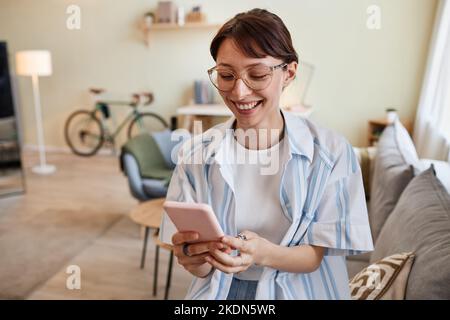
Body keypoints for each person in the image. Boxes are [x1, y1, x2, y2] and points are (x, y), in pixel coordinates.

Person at [159, 8, 373, 300]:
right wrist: (192, 259)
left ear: (289, 73)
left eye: (257, 74)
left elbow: (315, 256)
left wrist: (262, 253)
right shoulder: (194, 154)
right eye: (226, 75)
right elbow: (197, 266)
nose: (239, 92)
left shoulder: (332, 154)